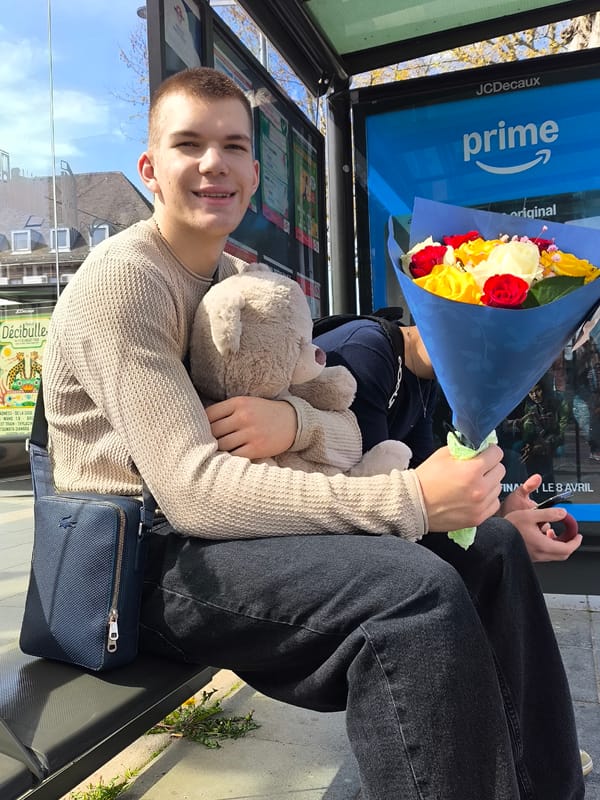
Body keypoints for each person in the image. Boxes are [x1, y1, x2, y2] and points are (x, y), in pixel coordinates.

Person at [42, 66, 586, 799]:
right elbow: (194, 492)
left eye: (233, 145)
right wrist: (413, 502)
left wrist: (297, 418)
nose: (214, 163)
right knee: (413, 595)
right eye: (188, 144)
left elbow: (335, 420)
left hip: (232, 533)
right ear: (150, 167)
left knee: (487, 549)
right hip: (143, 564)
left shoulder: (242, 278)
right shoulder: (125, 282)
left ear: (255, 171)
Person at [315, 313, 592, 771]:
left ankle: (533, 748)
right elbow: (363, 500)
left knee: (499, 542)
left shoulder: (419, 379)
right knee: (446, 575)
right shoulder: (367, 352)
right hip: (325, 539)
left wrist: (500, 517)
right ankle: (506, 750)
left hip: (365, 534)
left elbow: (426, 507)